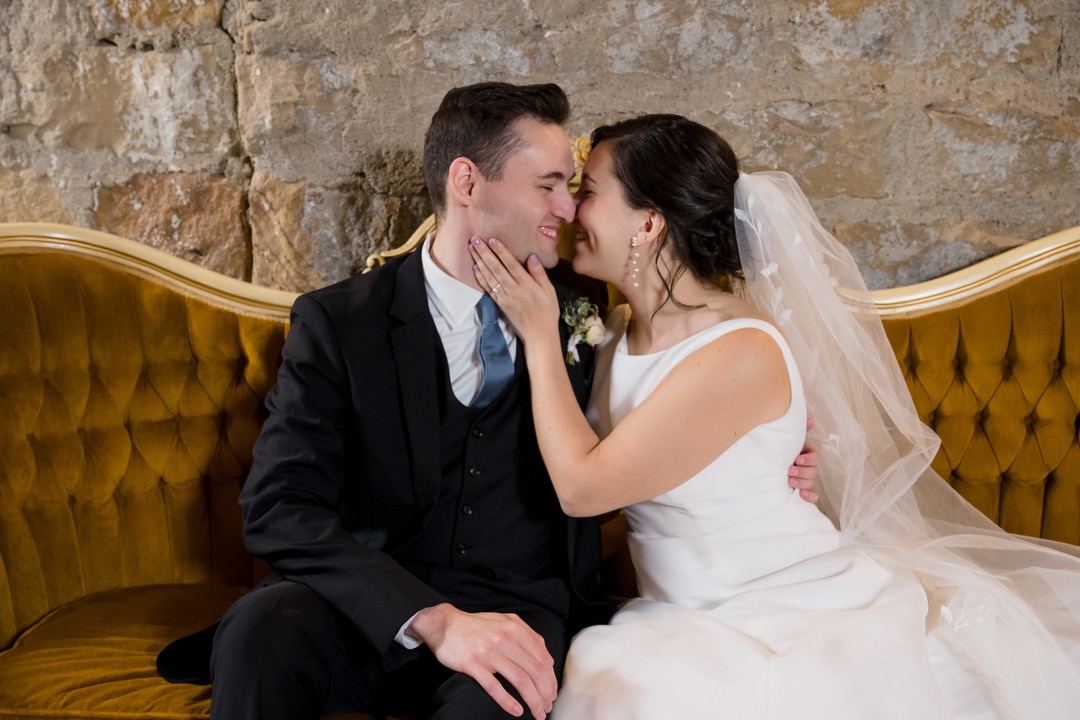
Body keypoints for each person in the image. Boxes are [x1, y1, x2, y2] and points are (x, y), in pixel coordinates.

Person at [155, 85, 820, 720]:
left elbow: (685, 411)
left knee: (503, 701)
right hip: (365, 610)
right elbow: (278, 507)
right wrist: (433, 619)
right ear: (467, 183)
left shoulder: (588, 314)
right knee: (261, 628)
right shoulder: (341, 322)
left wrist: (773, 460)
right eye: (550, 186)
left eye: (577, 188)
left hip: (519, 614)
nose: (567, 210)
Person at [469, 114, 1080, 719]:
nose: (572, 211)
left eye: (590, 192)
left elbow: (583, 489)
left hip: (776, 603)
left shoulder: (741, 349)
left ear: (649, 223)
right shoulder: (618, 329)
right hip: (678, 606)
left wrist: (540, 337)